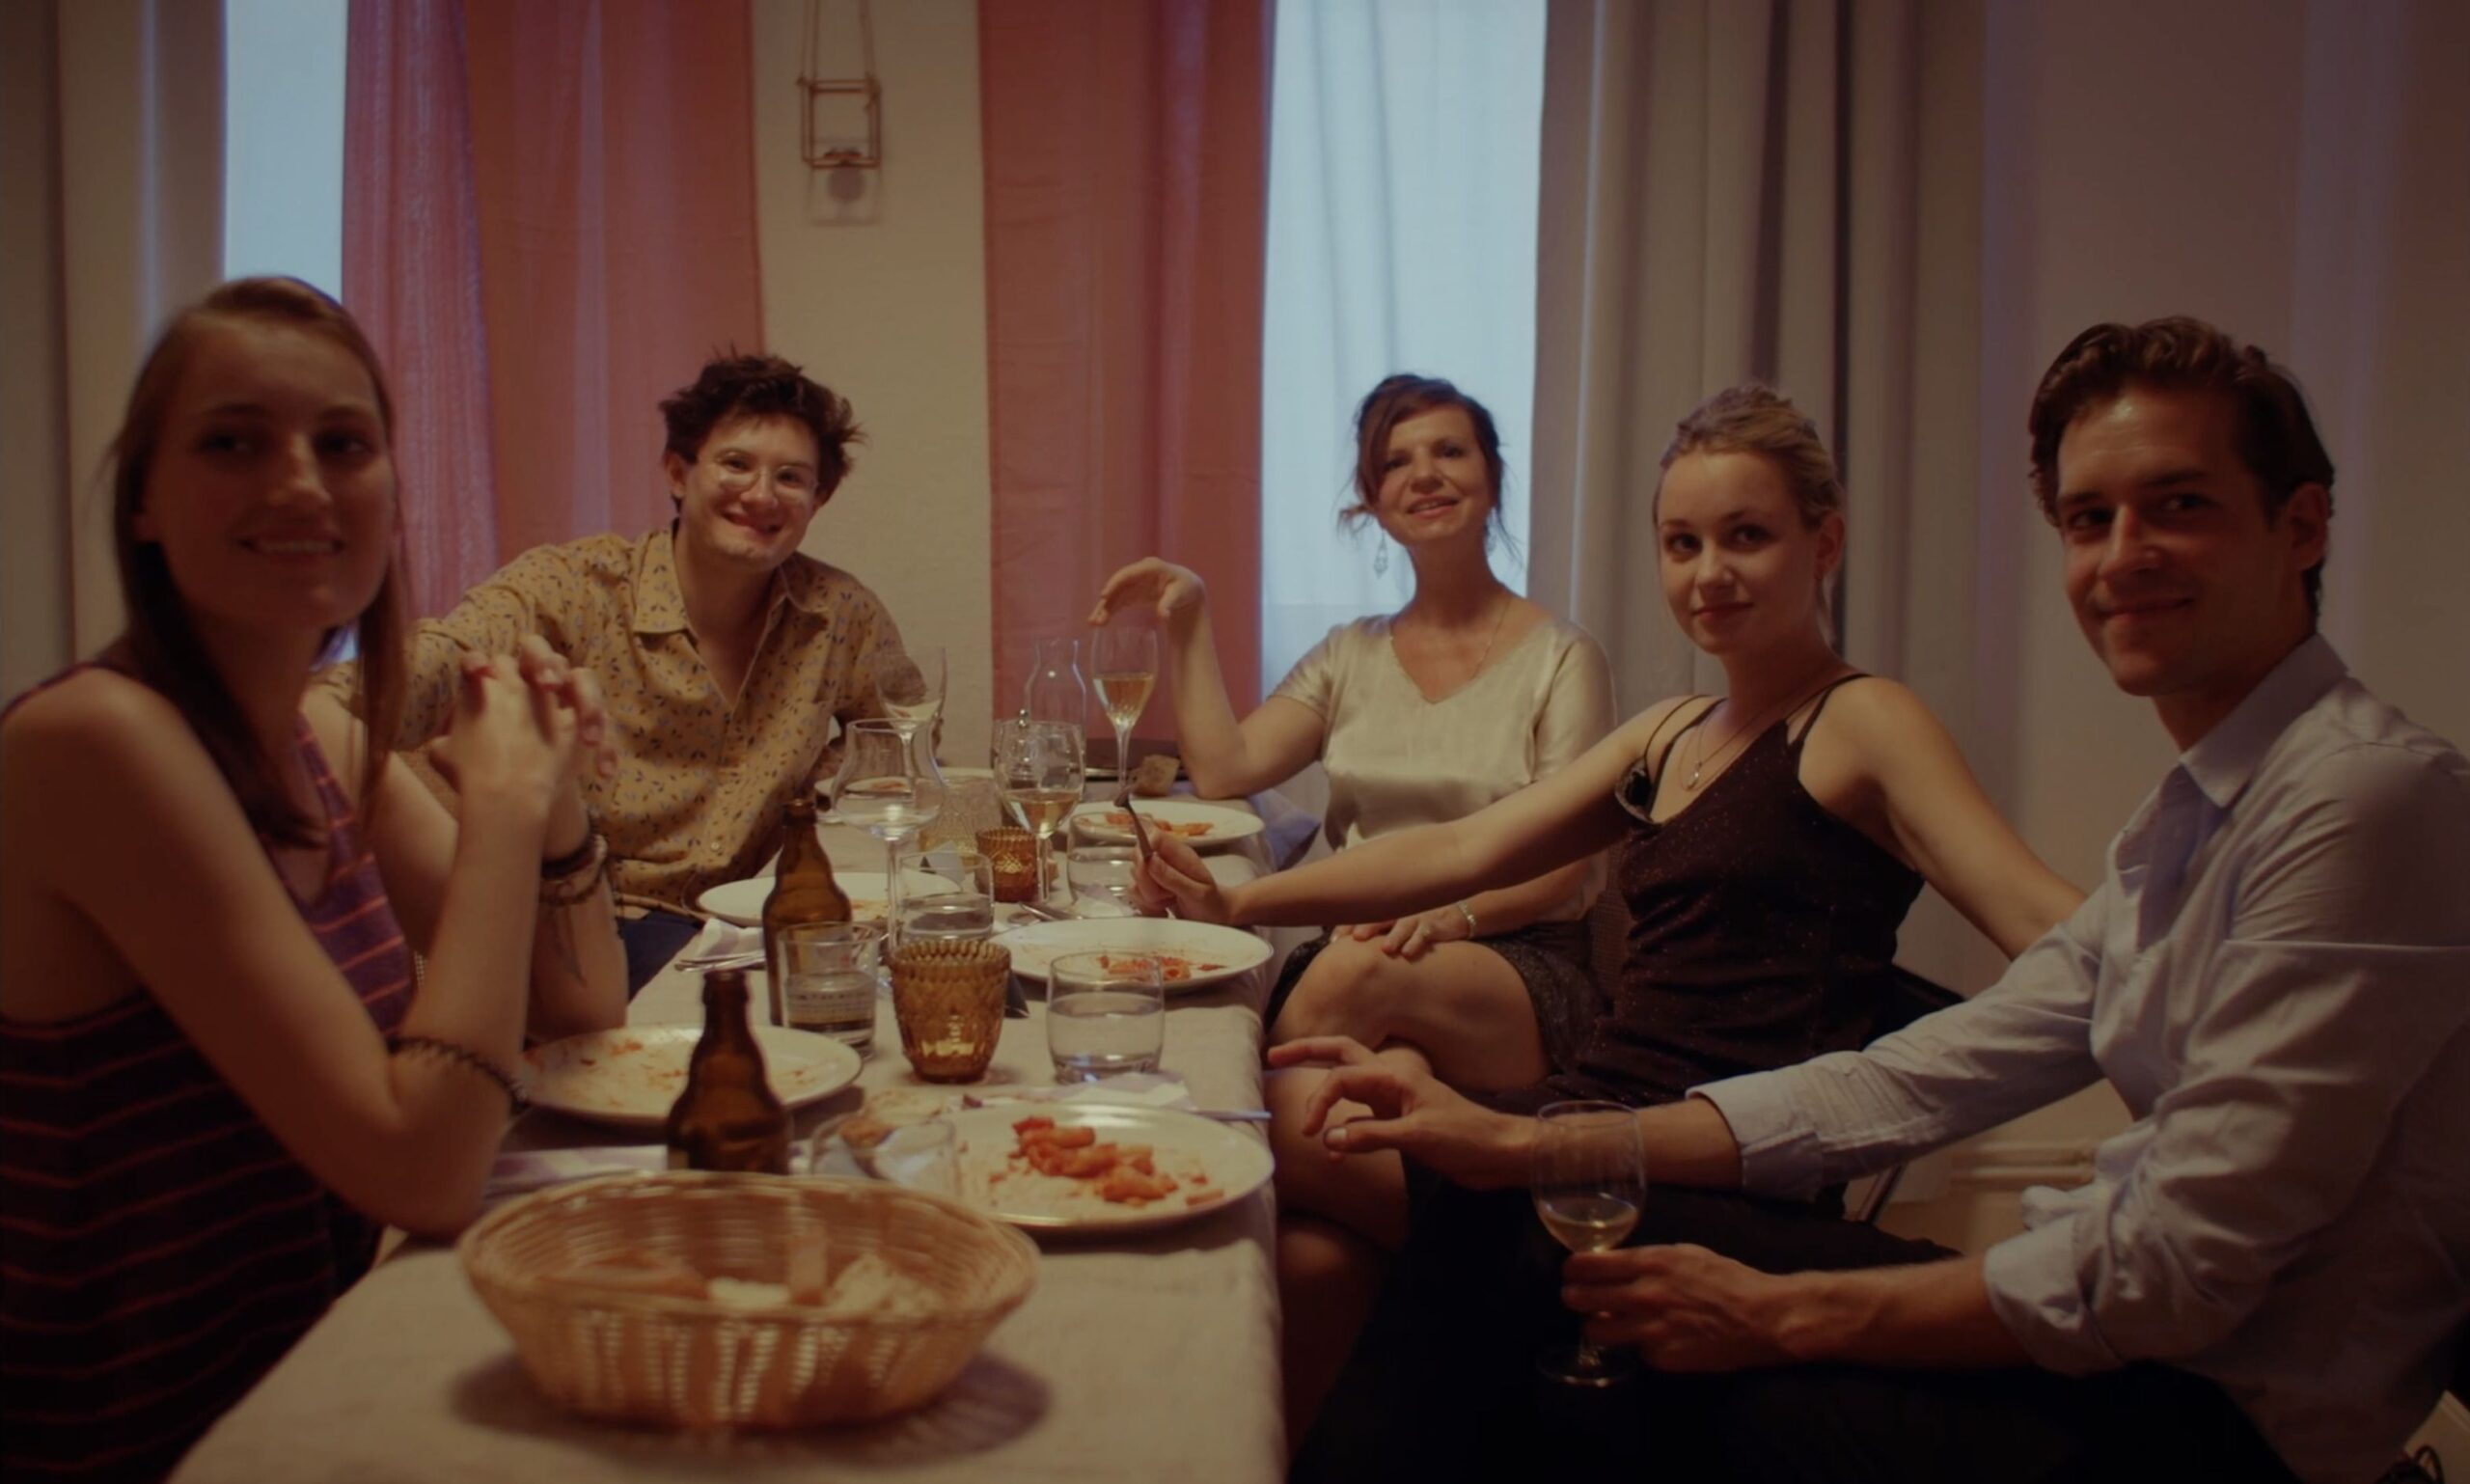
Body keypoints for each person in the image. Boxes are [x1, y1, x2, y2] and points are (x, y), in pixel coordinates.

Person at [1269, 317, 2470, 1484]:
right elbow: (1904, 1079)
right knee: (1494, 1239)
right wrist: (1534, 1141)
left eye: (2180, 505)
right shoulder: (2189, 815)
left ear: (2300, 524)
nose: (2122, 555)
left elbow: (2167, 1269)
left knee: (1545, 1289)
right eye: (2088, 518)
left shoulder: (2361, 798)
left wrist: (1779, 1310)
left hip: (2209, 1419)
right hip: (2114, 1332)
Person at [1139, 383, 2083, 1443]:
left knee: (1261, 1113)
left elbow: (2066, 941)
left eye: (1747, 536)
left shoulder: (1864, 720)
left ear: (1825, 543)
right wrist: (1241, 898)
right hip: (1592, 1113)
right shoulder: (1671, 733)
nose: (1709, 572)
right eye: (1683, 543)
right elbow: (1459, 850)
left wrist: (2199, 981)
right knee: (1314, 1254)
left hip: (1703, 1164)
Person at [0, 278, 627, 1482]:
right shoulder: (95, 742)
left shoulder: (320, 739)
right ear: (142, 502)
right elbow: (423, 1169)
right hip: (135, 1440)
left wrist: (552, 795)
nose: (298, 482)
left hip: (301, 1385)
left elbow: (581, 1008)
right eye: (232, 442)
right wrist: (499, 807)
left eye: (342, 444)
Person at [1092, 374, 1617, 1098]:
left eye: (1450, 452)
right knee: (1340, 1116)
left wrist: (1447, 919)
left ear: (1493, 478)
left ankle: (1180, 1120)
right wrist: (1189, 617)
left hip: (1512, 958)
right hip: (1361, 941)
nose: (1424, 474)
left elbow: (1561, 868)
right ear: (1373, 501)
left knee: (1350, 986)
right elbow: (1224, 769)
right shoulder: (1350, 653)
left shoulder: (1564, 656)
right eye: (1396, 462)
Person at [318, 352, 906, 990]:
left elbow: (902, 736)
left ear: (818, 498)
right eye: (736, 464)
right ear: (678, 472)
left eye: (790, 478)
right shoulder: (576, 587)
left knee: (917, 975)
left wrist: (817, 795)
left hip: (742, 929)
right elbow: (445, 657)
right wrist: (313, 709)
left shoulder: (837, 614)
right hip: (597, 921)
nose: (762, 495)